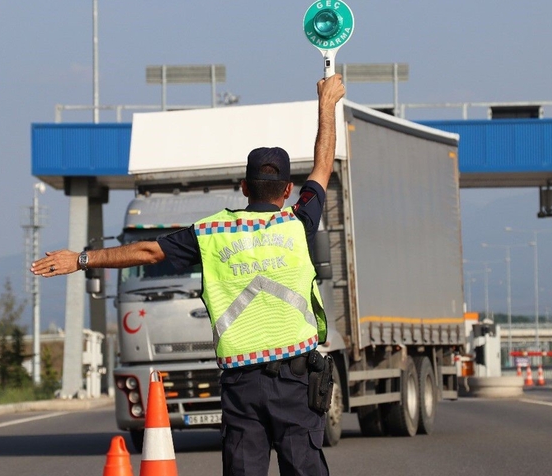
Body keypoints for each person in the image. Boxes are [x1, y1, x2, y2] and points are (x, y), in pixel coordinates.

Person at [31, 74, 346, 476]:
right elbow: (322, 165)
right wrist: (327, 103)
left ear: (244, 187)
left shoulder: (212, 232)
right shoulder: (298, 224)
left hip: (242, 386)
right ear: (287, 191)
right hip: (296, 382)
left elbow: (147, 250)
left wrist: (80, 259)